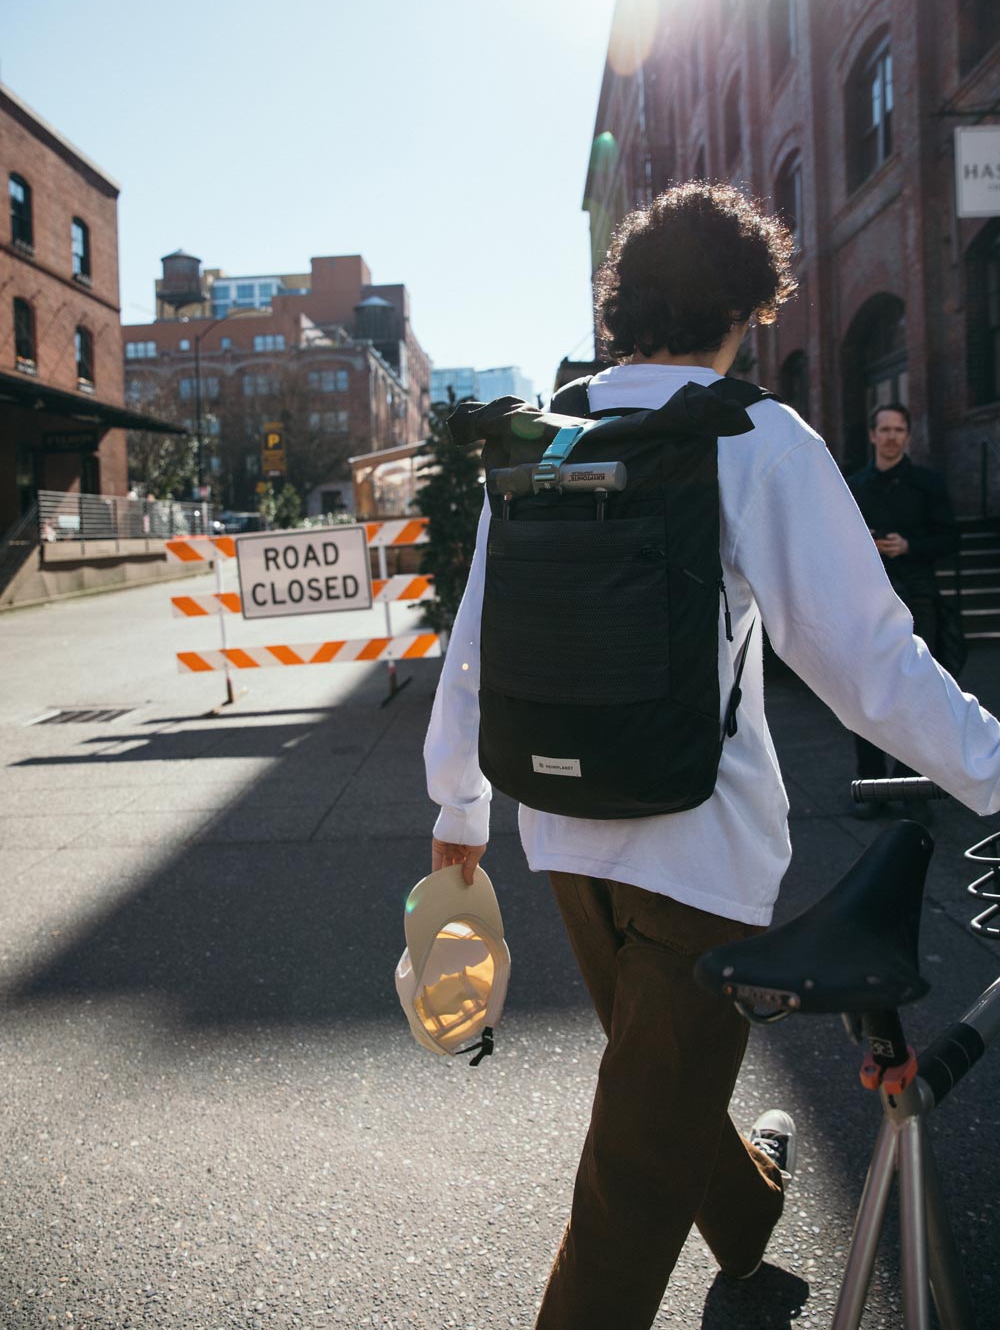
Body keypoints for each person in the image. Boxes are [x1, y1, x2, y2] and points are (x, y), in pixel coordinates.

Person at [423, 183, 1000, 1330]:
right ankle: (715, 1219)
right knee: (633, 1169)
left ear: (622, 302)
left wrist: (458, 806)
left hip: (562, 836)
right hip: (701, 851)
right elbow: (870, 664)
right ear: (750, 308)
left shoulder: (548, 433)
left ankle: (743, 1216)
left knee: (655, 1092)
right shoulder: (752, 435)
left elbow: (475, 637)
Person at [847, 403, 961, 814]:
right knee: (867, 697)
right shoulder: (854, 486)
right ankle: (872, 788)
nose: (893, 436)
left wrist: (909, 545)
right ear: (873, 435)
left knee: (916, 697)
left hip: (919, 599)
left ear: (907, 435)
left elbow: (950, 539)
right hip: (870, 601)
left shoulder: (928, 484)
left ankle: (912, 792)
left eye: (899, 430)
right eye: (885, 429)